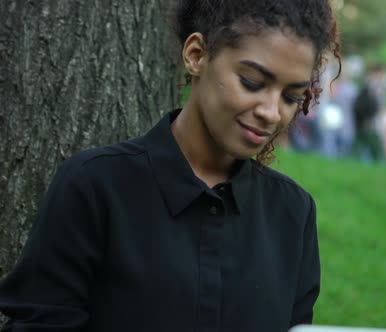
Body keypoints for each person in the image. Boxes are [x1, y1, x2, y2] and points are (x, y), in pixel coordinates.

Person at [0, 0, 340, 331]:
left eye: (291, 97)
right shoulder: (94, 186)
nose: (271, 111)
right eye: (252, 82)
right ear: (196, 55)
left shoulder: (293, 212)